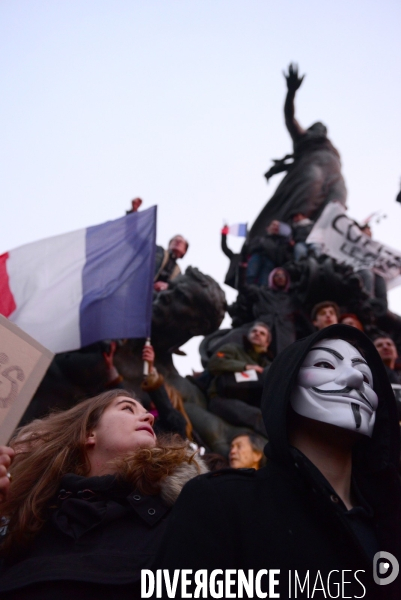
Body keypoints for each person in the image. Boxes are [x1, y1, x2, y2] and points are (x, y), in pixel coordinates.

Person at [156, 324, 401, 599]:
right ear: (285, 383)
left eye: (367, 377)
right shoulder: (220, 503)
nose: (356, 378)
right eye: (325, 363)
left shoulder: (391, 520)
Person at [0, 390, 206, 599]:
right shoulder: (23, 527)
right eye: (127, 408)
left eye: (147, 414)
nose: (150, 417)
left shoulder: (181, 519)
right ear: (88, 433)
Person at [249, 63, 347, 238]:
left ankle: (329, 235)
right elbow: (290, 117)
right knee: (311, 184)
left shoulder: (331, 147)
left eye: (323, 128)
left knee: (337, 201)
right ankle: (296, 223)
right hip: (312, 166)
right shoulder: (304, 138)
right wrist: (291, 92)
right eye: (318, 127)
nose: (321, 130)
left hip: (335, 174)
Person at [206, 322, 271, 436]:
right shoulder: (233, 348)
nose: (257, 334)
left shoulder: (266, 365)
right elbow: (214, 364)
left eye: (262, 333)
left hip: (247, 402)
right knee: (257, 416)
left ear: (267, 342)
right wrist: (246, 367)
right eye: (254, 331)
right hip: (221, 398)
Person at [245, 220, 292, 286]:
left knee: (264, 282)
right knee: (250, 276)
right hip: (257, 257)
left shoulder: (281, 243)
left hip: (270, 262)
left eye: (278, 226)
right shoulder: (259, 239)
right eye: (273, 225)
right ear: (267, 228)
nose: (276, 227)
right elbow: (250, 249)